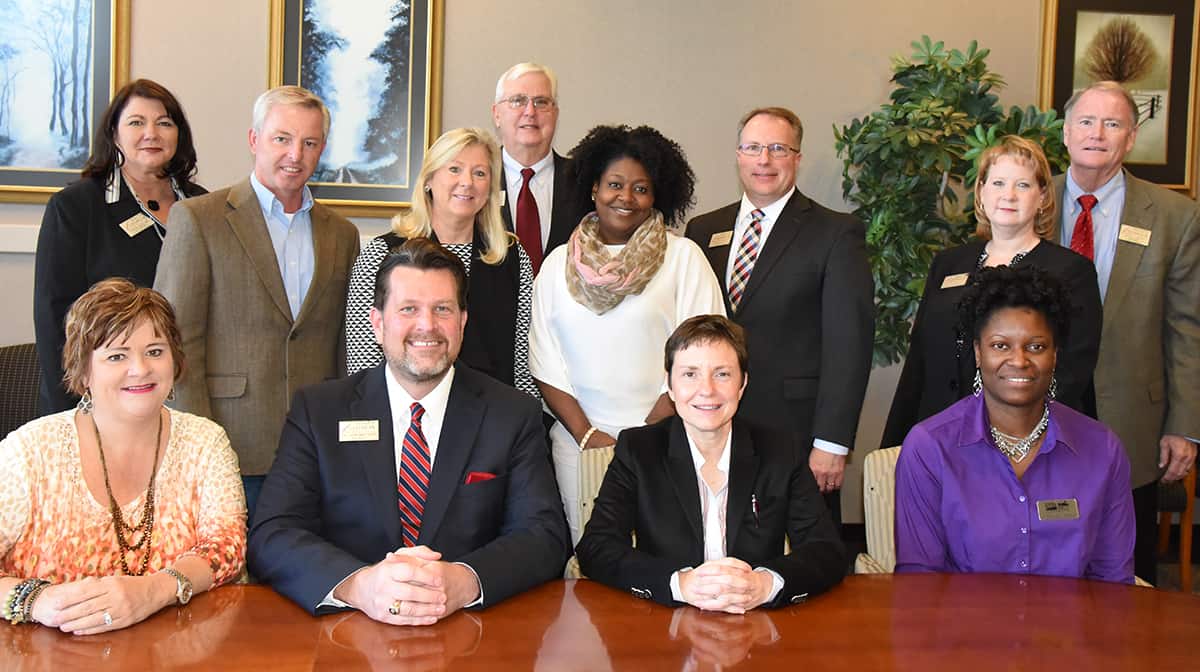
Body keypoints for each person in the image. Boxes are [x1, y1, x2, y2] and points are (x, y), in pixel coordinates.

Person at [248, 239, 569, 623]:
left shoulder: (512, 414)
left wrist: (463, 581)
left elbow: (544, 535)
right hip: (347, 632)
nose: (427, 326)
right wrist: (358, 585)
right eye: (408, 309)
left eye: (442, 309)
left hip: (474, 634)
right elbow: (272, 532)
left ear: (463, 322)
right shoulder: (319, 412)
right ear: (378, 323)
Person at [153, 86, 360, 519]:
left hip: (316, 447)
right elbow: (175, 343)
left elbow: (343, 345)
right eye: (281, 138)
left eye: (309, 143)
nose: (295, 155)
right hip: (232, 444)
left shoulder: (342, 234)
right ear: (254, 140)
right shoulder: (199, 219)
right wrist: (199, 446)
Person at [0, 279, 245, 633]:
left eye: (155, 351)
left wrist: (155, 590)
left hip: (171, 651)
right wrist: (36, 600)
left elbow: (227, 548)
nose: (140, 369)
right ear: (83, 371)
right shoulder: (30, 451)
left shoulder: (205, 442)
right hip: (48, 652)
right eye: (117, 355)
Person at [529, 125, 724, 545]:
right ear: (593, 187)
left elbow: (706, 354)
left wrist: (647, 433)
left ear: (657, 196)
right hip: (580, 446)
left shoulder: (683, 258)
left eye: (641, 188)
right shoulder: (557, 264)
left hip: (668, 439)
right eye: (615, 184)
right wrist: (586, 435)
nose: (626, 198)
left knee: (665, 557)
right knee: (592, 558)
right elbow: (544, 362)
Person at [576, 315, 846, 609]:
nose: (706, 390)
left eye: (722, 374)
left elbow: (826, 550)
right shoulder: (639, 450)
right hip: (665, 626)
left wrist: (766, 584)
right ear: (669, 385)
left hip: (757, 624)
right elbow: (596, 547)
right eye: (690, 374)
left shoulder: (780, 451)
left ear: (742, 384)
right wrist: (680, 584)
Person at [685, 107, 873, 525]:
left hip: (798, 436)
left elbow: (850, 345)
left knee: (804, 562)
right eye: (753, 148)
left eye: (777, 148)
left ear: (797, 157)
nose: (764, 160)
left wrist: (833, 443)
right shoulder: (703, 231)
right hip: (714, 427)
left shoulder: (836, 233)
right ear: (738, 155)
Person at [894, 266, 1134, 583]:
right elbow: (919, 581)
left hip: (1071, 630)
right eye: (1000, 346)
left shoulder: (1102, 448)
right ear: (978, 353)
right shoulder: (930, 446)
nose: (1019, 360)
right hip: (965, 629)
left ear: (1055, 355)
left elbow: (1113, 579)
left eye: (1036, 346)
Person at [1053, 81, 1199, 584]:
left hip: (1131, 418)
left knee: (1125, 568)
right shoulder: (1027, 197)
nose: (1098, 133)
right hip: (1037, 407)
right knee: (1039, 551)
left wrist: (1185, 424)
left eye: (1113, 124)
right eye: (1087, 122)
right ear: (1066, 132)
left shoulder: (1177, 216)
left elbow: (1187, 328)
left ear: (1131, 137)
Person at [882, 136, 1102, 448]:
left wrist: (1013, 437)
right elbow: (919, 361)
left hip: (1022, 443)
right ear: (982, 192)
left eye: (1023, 186)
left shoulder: (1070, 271)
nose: (1008, 195)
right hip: (937, 436)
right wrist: (896, 443)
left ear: (1042, 197)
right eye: (997, 183)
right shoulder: (948, 263)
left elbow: (1070, 373)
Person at [34, 79, 207, 414]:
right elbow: (54, 316)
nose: (151, 133)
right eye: (136, 122)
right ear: (114, 134)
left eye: (164, 123)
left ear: (178, 135)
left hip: (184, 398)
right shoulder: (76, 207)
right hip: (100, 401)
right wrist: (73, 411)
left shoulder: (204, 206)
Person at [344, 128, 536, 399]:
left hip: (491, 421)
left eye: (480, 173)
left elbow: (523, 366)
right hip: (403, 419)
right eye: (455, 169)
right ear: (429, 180)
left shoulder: (513, 258)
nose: (467, 182)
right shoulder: (380, 255)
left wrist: (526, 427)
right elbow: (363, 362)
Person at [492, 62, 581, 272]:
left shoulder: (583, 181)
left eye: (541, 102)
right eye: (517, 101)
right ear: (496, 114)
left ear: (556, 113)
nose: (530, 112)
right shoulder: (474, 181)